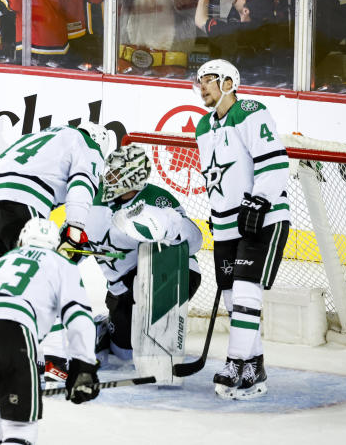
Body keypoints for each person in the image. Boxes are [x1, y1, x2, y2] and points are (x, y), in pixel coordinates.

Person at [0, 217, 100, 445]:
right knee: (20, 428)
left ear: (21, 240)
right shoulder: (61, 263)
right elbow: (79, 316)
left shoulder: (2, 261)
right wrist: (84, 365)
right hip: (10, 331)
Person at [193, 58, 290, 400]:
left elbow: (275, 160)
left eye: (210, 80)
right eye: (200, 80)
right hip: (226, 224)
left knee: (247, 290)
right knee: (234, 299)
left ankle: (234, 363)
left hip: (262, 217)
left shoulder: (250, 111)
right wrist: (219, 214)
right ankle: (254, 363)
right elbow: (217, 179)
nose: (202, 85)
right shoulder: (203, 128)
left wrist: (260, 200)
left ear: (229, 83)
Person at [79, 145, 203, 361]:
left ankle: (162, 339)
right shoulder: (91, 200)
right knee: (125, 354)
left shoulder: (157, 199)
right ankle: (106, 326)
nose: (109, 175)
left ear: (133, 176)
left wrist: (168, 228)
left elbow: (195, 241)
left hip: (169, 273)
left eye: (116, 171)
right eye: (110, 170)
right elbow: (74, 243)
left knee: (150, 350)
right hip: (121, 288)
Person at [0, 123, 116, 267]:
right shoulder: (89, 146)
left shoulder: (42, 135)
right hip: (19, 204)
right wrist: (74, 234)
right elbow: (81, 187)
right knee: (35, 280)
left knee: (2, 283)